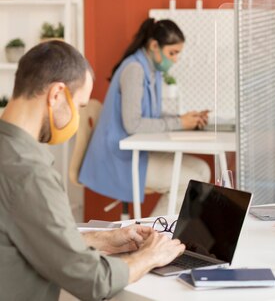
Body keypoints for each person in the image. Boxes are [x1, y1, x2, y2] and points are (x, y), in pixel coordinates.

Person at [0, 41, 185, 300]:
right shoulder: (28, 173)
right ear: (56, 95)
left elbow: (31, 235)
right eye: (78, 106)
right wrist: (149, 256)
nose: (76, 117)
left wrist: (103, 239)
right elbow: (93, 281)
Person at [79, 18, 211, 216]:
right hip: (119, 158)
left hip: (136, 152)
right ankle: (154, 236)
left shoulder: (152, 70)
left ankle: (171, 235)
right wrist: (179, 123)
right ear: (154, 46)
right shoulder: (135, 70)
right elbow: (133, 124)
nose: (175, 59)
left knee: (202, 171)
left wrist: (183, 119)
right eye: (172, 53)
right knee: (188, 181)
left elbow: (152, 116)